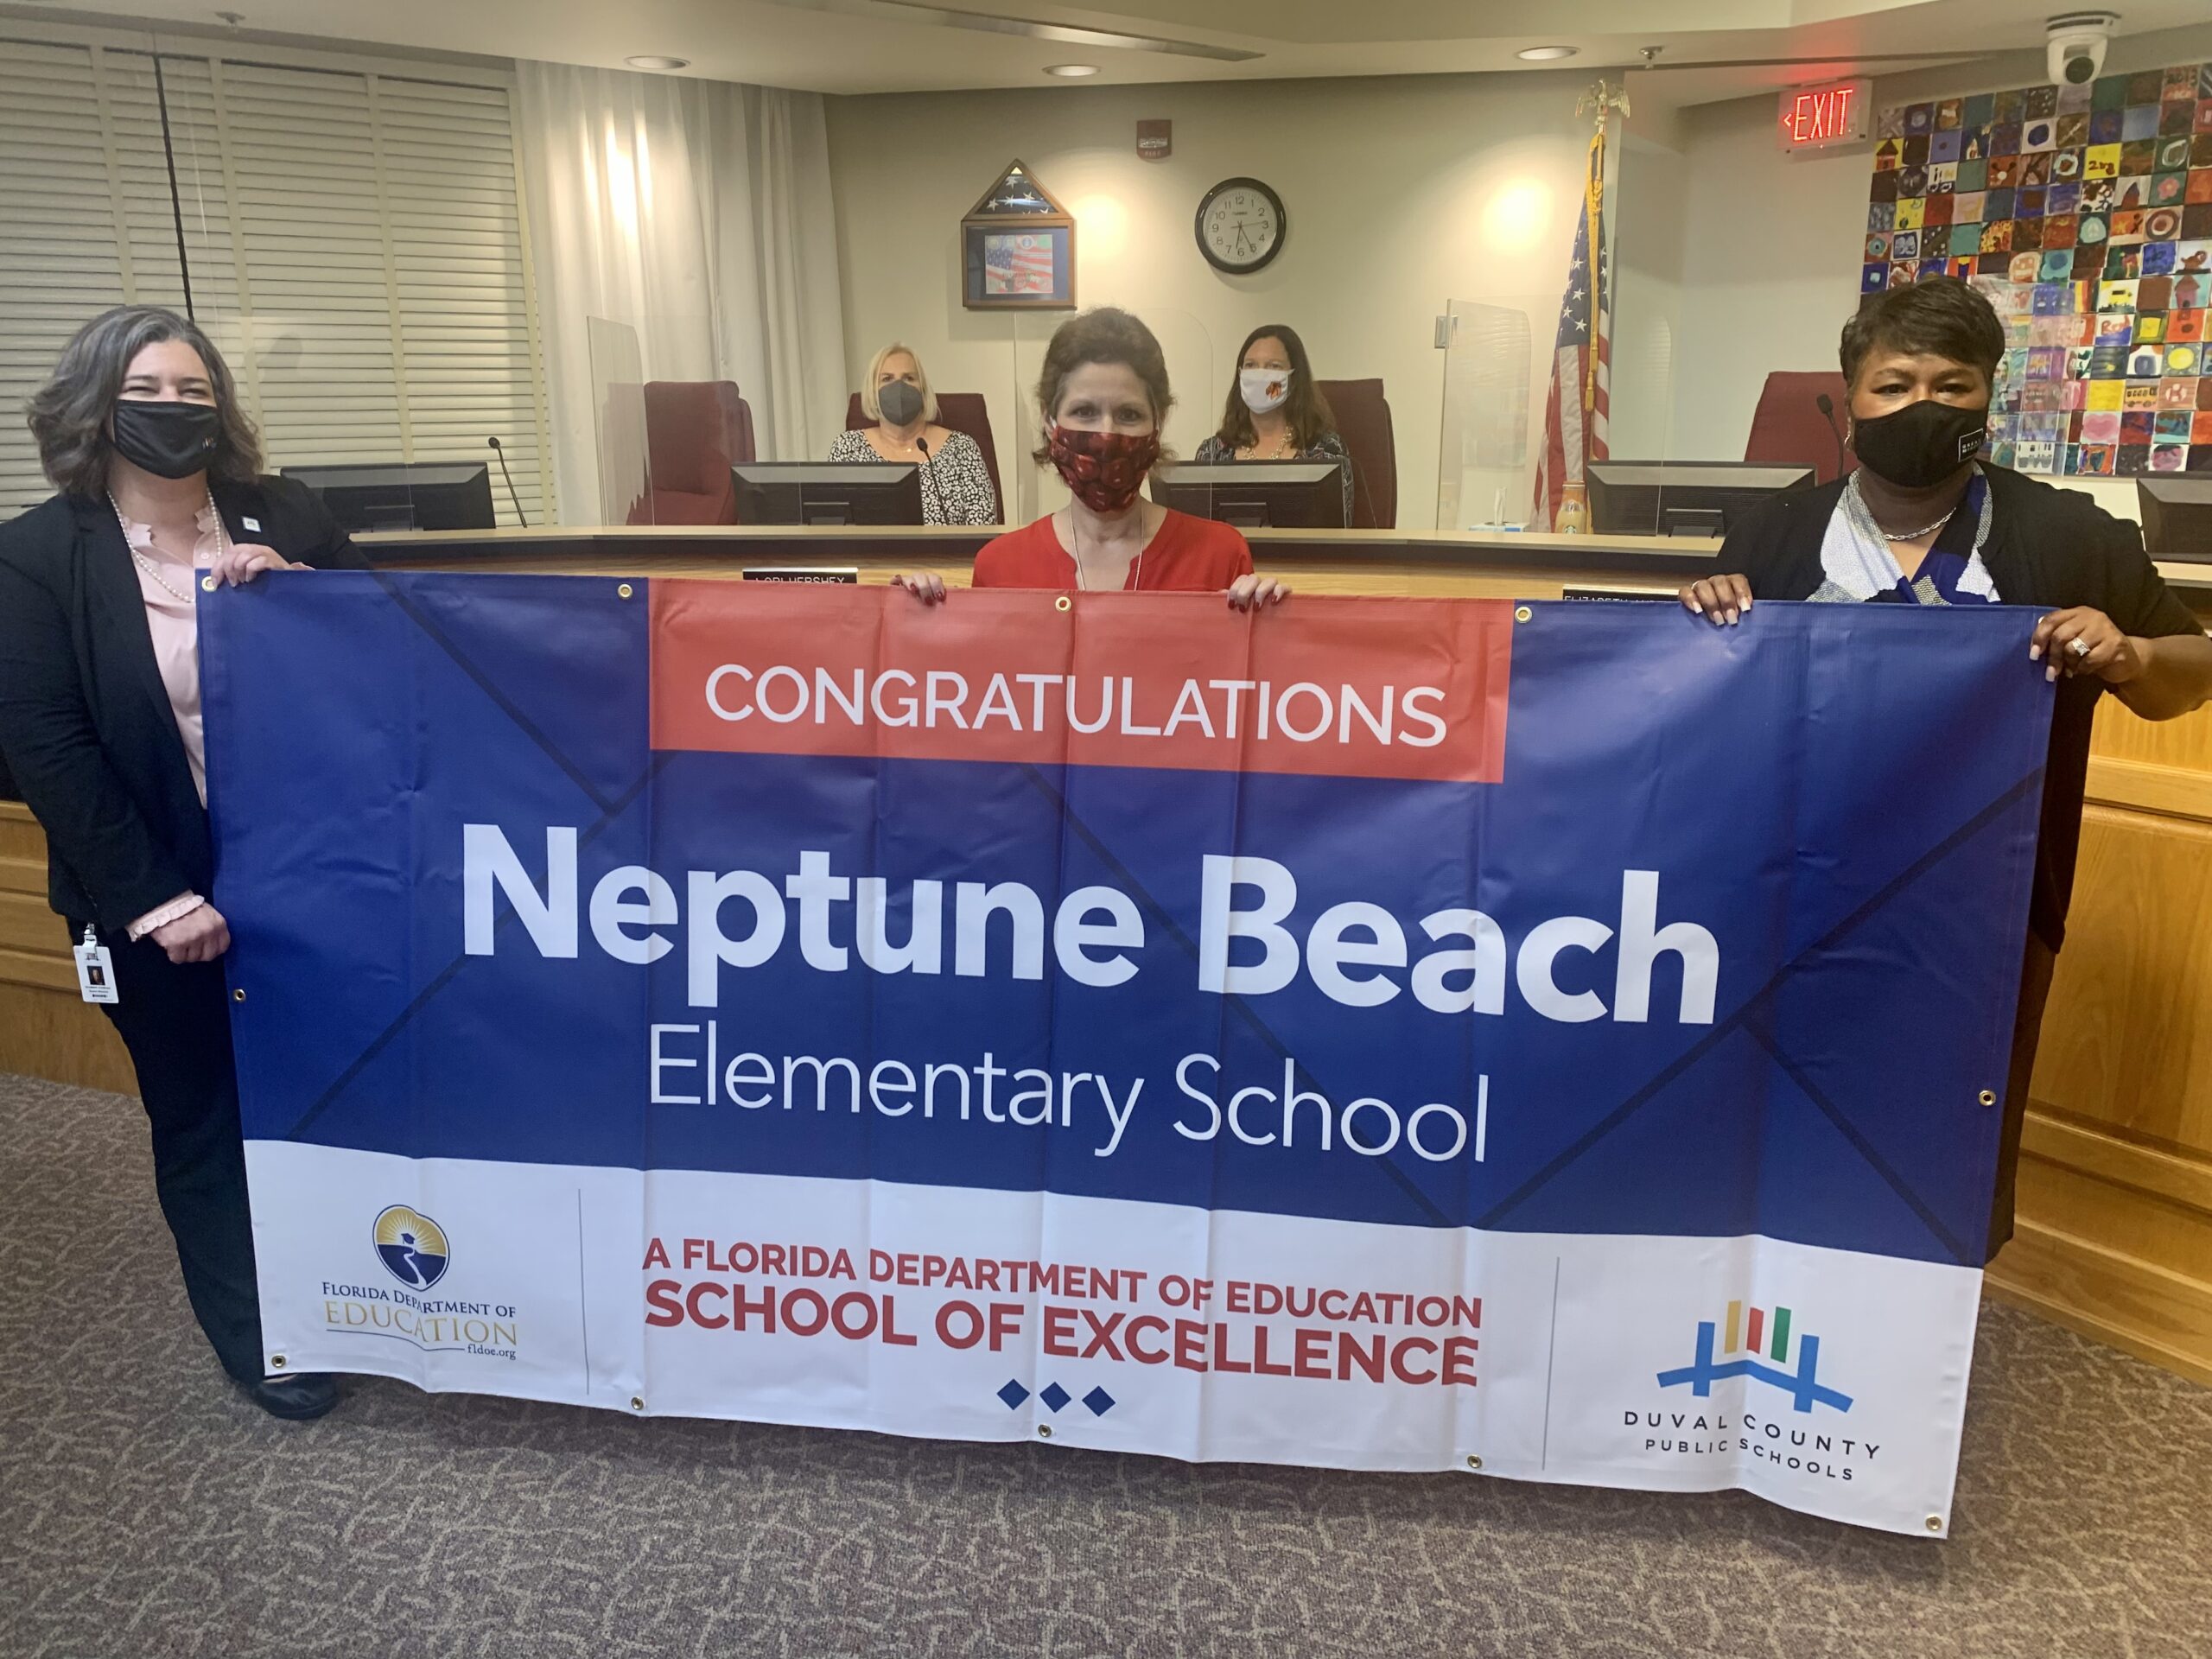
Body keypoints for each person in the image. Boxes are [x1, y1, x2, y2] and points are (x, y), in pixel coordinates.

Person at [1679, 276, 2212, 1262]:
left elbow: (2190, 677)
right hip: (1788, 891)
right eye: (1893, 385)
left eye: (1950, 386)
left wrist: (2128, 653)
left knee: (1949, 1135)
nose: (1921, 406)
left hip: (1986, 907)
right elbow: (1705, 715)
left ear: (1986, 400)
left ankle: (1922, 1347)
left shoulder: (2066, 536)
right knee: (1777, 1108)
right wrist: (1707, 619)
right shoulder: (1775, 536)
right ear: (1848, 404)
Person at [0, 305, 367, 1419]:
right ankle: (258, 1336)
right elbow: (45, 746)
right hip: (155, 898)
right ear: (94, 409)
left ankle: (357, 1292)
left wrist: (308, 600)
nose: (173, 411)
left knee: (326, 1101)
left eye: (194, 392)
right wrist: (157, 899)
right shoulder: (36, 554)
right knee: (205, 1114)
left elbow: (390, 665)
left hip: (308, 881)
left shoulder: (288, 512)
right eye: (148, 393)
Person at [897, 308, 1288, 606]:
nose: (1106, 435)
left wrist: (1272, 624)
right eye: (1084, 412)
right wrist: (914, 619)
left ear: (1159, 421)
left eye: (1129, 414)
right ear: (1051, 420)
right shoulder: (1000, 566)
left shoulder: (1218, 557)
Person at [1193, 324, 1354, 527]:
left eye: (1273, 366)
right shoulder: (1211, 453)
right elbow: (1199, 534)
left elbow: (1338, 534)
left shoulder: (1327, 450)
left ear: (1294, 378)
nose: (1260, 374)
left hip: (1302, 559)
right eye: (1251, 365)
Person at [830, 343, 998, 524]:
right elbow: (833, 523)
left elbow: (984, 527)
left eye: (909, 378)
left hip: (950, 553)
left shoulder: (962, 448)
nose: (899, 387)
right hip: (868, 553)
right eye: (887, 379)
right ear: (872, 390)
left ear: (923, 389)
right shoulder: (848, 448)